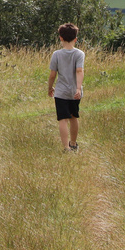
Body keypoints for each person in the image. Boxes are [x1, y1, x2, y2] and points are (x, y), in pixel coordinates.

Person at [48, 22, 85, 152]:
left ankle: (66, 147)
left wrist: (50, 88)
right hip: (74, 92)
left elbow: (53, 74)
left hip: (61, 92)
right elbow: (79, 71)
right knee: (74, 117)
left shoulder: (56, 55)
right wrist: (78, 89)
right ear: (75, 39)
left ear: (60, 38)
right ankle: (74, 144)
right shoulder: (80, 54)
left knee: (62, 119)